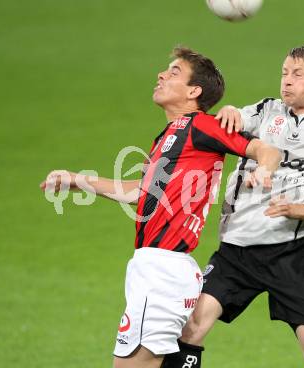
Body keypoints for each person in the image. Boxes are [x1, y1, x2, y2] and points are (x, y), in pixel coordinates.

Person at [40, 46, 282, 368]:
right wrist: (77, 180)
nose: (161, 75)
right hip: (159, 269)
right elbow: (140, 193)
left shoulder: (202, 126)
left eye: (174, 72)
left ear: (194, 91)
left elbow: (265, 150)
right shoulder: (167, 136)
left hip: (162, 270)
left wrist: (263, 171)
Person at [162, 45, 304, 368]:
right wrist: (229, 111)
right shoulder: (267, 111)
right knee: (190, 329)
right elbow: (229, 120)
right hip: (237, 249)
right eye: (284, 73)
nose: (286, 81)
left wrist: (297, 211)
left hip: (294, 254)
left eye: (297, 74)